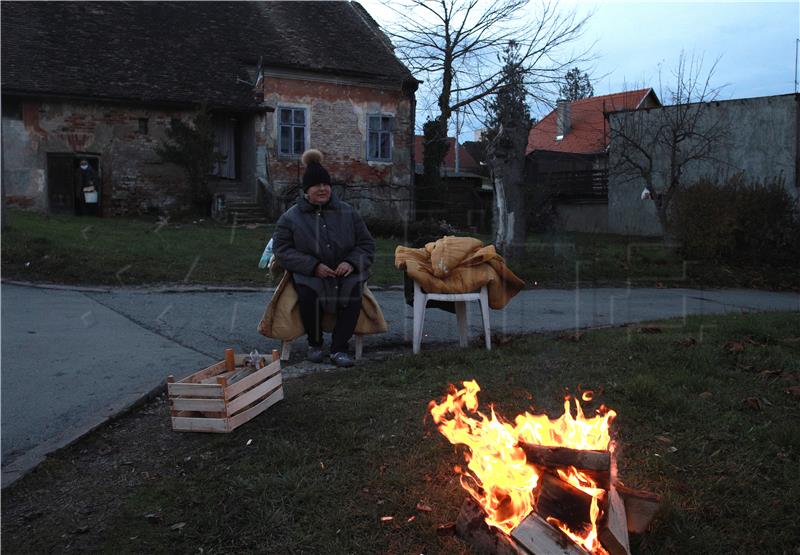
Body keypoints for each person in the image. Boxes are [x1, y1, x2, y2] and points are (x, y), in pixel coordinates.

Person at [272, 149, 375, 367]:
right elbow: (282, 250)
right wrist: (313, 266)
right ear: (306, 191)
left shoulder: (348, 212)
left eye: (326, 184)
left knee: (353, 292)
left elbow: (366, 245)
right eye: (316, 185)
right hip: (310, 274)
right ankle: (315, 344)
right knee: (309, 293)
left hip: (344, 272)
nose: (322, 189)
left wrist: (351, 262)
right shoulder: (290, 218)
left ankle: (339, 348)